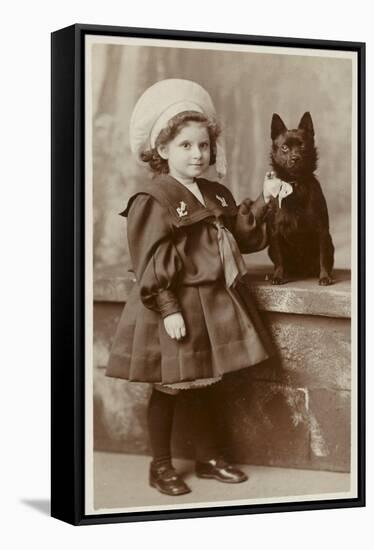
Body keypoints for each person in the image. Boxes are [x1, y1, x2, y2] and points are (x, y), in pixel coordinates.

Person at [106, 79, 280, 497]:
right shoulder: (154, 198)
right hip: (175, 306)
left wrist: (267, 198)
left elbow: (242, 235)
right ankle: (160, 466)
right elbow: (149, 261)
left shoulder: (215, 192)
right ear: (162, 151)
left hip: (212, 305)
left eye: (203, 145)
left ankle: (208, 458)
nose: (197, 154)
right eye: (185, 146)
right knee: (169, 387)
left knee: (207, 383)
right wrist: (168, 310)